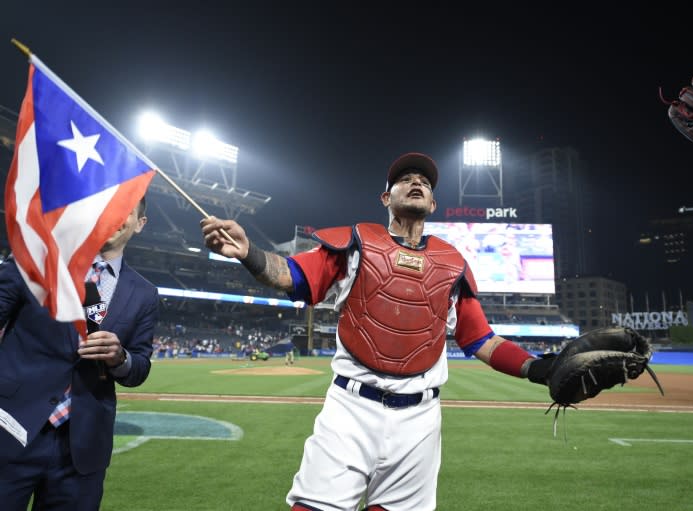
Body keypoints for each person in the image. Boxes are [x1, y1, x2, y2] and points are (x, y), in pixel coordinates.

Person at [201, 152, 553, 511]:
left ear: (433, 202)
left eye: (425, 182)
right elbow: (290, 274)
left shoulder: (451, 265)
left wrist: (539, 369)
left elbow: (482, 340)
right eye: (405, 180)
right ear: (386, 198)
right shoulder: (354, 245)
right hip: (350, 408)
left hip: (419, 421)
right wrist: (249, 253)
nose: (416, 183)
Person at [0, 196, 159, 511]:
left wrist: (120, 357)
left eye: (126, 210)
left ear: (141, 224)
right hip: (10, 430)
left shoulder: (144, 293)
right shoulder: (36, 261)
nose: (114, 216)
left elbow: (139, 365)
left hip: (82, 447)